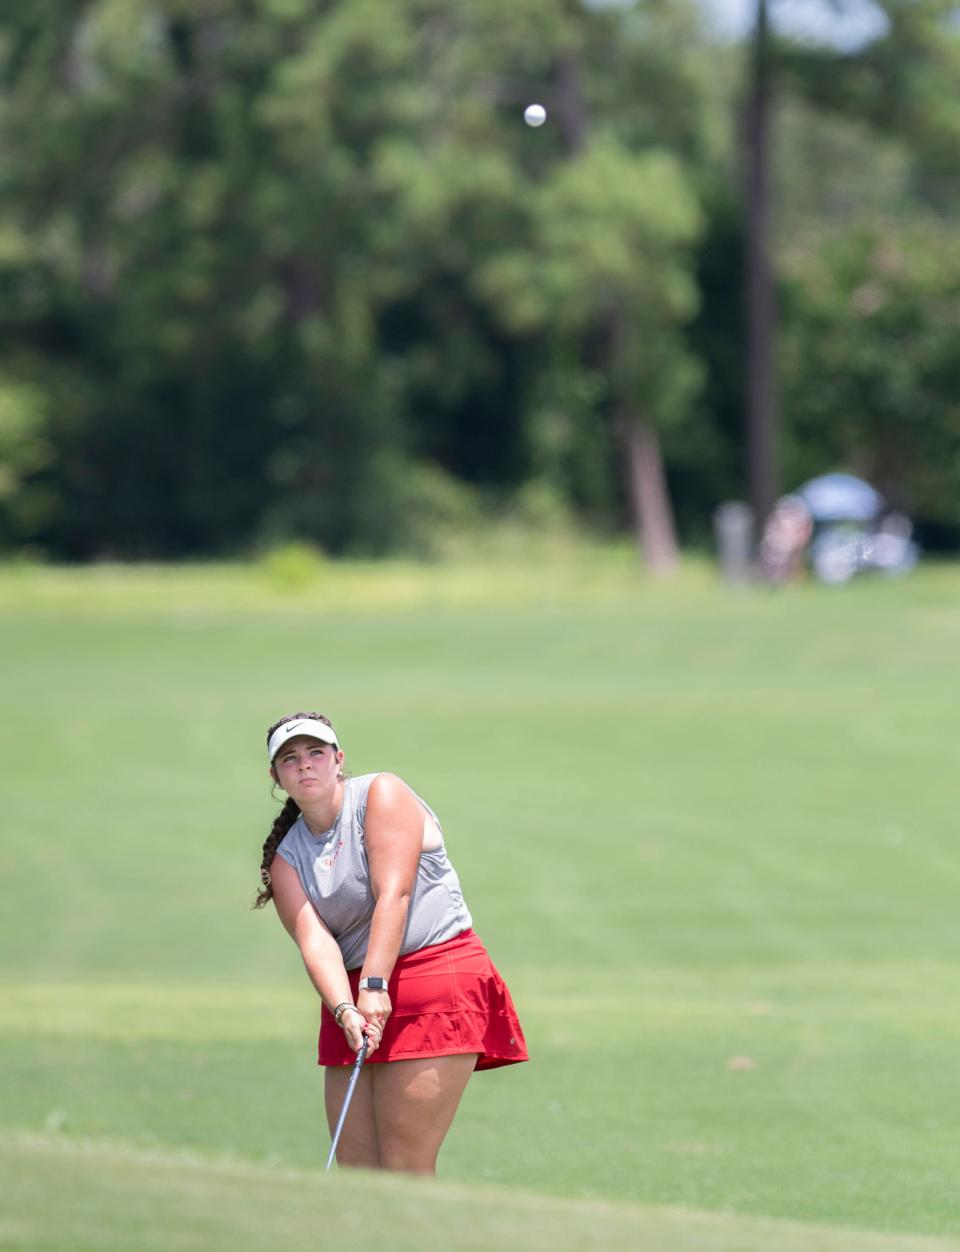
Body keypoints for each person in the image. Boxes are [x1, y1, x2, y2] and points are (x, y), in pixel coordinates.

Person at [254, 712, 528, 1175]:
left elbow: (394, 893)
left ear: (338, 760)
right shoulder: (286, 858)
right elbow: (315, 943)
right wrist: (345, 1008)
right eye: (290, 759)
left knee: (405, 1166)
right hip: (352, 998)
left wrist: (376, 986)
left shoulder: (382, 793)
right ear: (276, 776)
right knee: (358, 1169)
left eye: (316, 753)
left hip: (434, 975)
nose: (305, 766)